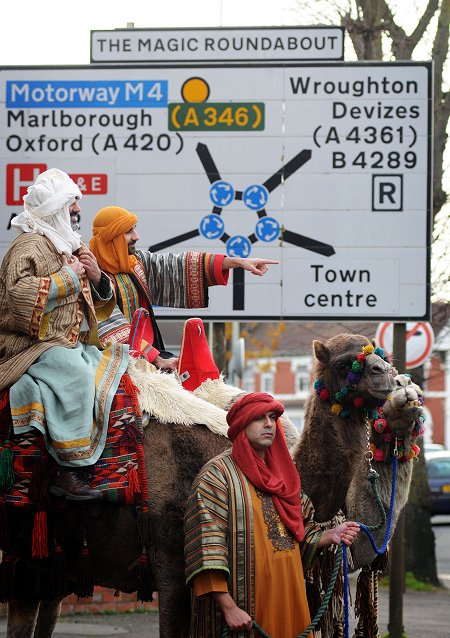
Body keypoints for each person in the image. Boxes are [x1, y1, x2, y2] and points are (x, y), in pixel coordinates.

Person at [184, 392, 360, 638]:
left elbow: (297, 531)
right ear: (241, 425)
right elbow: (206, 548)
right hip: (244, 611)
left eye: (272, 417)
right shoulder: (216, 477)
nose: (269, 424)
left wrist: (328, 536)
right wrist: (229, 607)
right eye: (259, 418)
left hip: (289, 598)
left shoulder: (283, 475)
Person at [0, 168, 129, 500]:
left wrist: (97, 276)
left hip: (64, 342)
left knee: (113, 367)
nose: (76, 213)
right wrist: (70, 276)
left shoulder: (65, 244)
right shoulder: (27, 246)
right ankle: (70, 470)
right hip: (28, 345)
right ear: (54, 210)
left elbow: (88, 304)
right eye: (70, 207)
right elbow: (19, 299)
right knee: (76, 377)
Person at [89, 206, 277, 372]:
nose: (136, 237)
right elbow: (112, 328)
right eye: (128, 232)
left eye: (134, 230)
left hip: (150, 358)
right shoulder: (91, 277)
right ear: (111, 237)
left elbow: (178, 265)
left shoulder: (136, 263)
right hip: (113, 365)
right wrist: (157, 359)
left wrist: (237, 262)